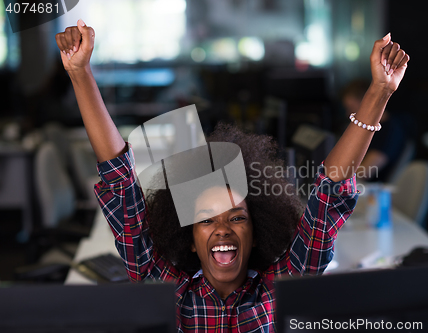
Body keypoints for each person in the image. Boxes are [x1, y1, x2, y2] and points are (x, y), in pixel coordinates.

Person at [55, 20, 409, 332]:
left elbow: (327, 195)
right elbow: (122, 183)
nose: (222, 228)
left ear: (256, 235)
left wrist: (379, 92)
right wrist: (80, 74)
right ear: (190, 240)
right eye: (206, 220)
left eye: (237, 217)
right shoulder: (165, 284)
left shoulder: (279, 287)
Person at [341, 79, 410, 182]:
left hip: (370, 192)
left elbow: (365, 172)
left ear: (366, 102)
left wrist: (334, 171)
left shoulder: (389, 131)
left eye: (351, 108)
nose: (348, 114)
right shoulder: (374, 127)